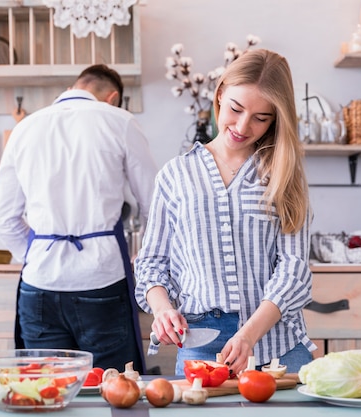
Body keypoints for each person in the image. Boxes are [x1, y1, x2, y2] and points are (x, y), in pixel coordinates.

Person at [134, 49, 316, 377]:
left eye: (261, 117)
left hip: (278, 346)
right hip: (200, 342)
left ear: (276, 119)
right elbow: (151, 265)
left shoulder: (284, 174)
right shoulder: (175, 175)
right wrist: (161, 310)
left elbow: (294, 269)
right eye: (235, 108)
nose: (243, 126)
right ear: (220, 95)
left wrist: (248, 334)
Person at [0, 64, 158, 374]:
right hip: (102, 278)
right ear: (113, 98)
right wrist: (145, 257)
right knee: (113, 391)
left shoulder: (24, 128)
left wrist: (38, 253)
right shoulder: (119, 121)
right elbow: (157, 206)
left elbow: (2, 219)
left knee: (45, 393)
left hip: (39, 282)